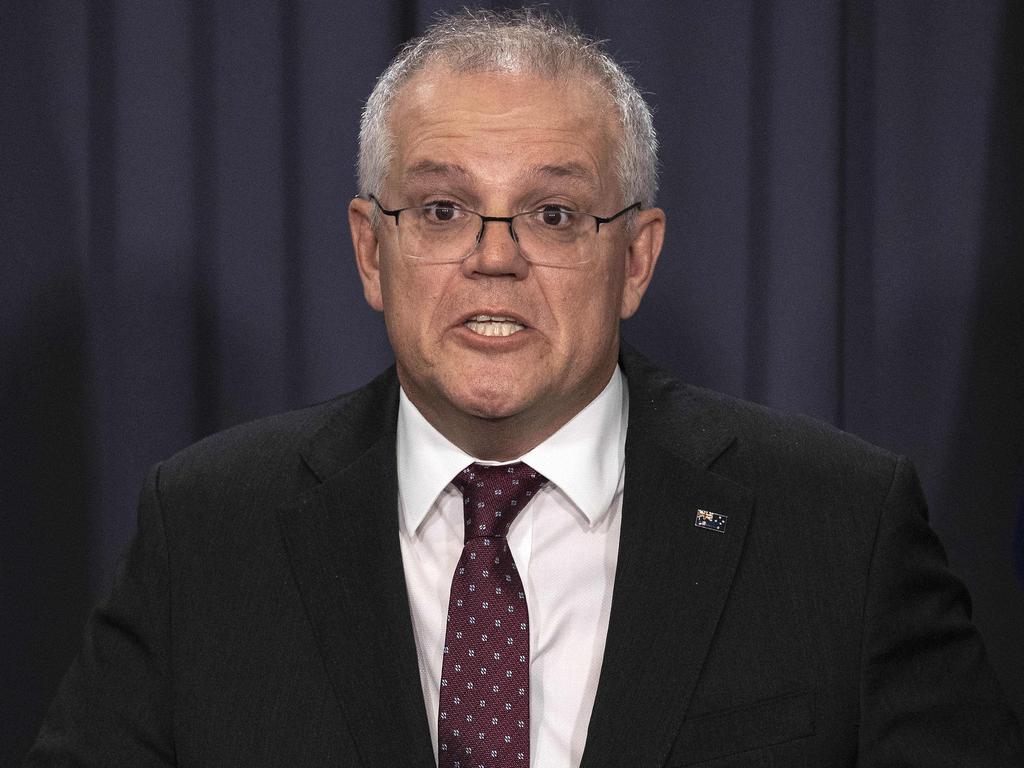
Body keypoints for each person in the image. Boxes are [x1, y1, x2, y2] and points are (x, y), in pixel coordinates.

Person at [25, 8, 1024, 767]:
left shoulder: (838, 525)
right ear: (372, 250)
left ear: (635, 257)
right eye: (444, 207)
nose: (492, 259)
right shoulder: (206, 529)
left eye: (551, 213)